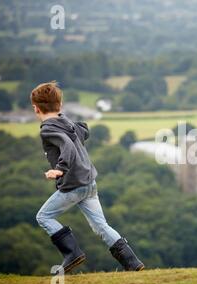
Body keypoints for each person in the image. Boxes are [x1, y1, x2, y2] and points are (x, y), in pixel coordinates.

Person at [31, 81, 144, 273]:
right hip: (89, 184)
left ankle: (72, 253)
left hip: (73, 185)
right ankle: (132, 263)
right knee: (101, 226)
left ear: (36, 109)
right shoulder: (67, 123)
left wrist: (59, 169)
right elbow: (83, 130)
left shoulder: (48, 129)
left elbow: (66, 146)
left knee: (44, 216)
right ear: (60, 105)